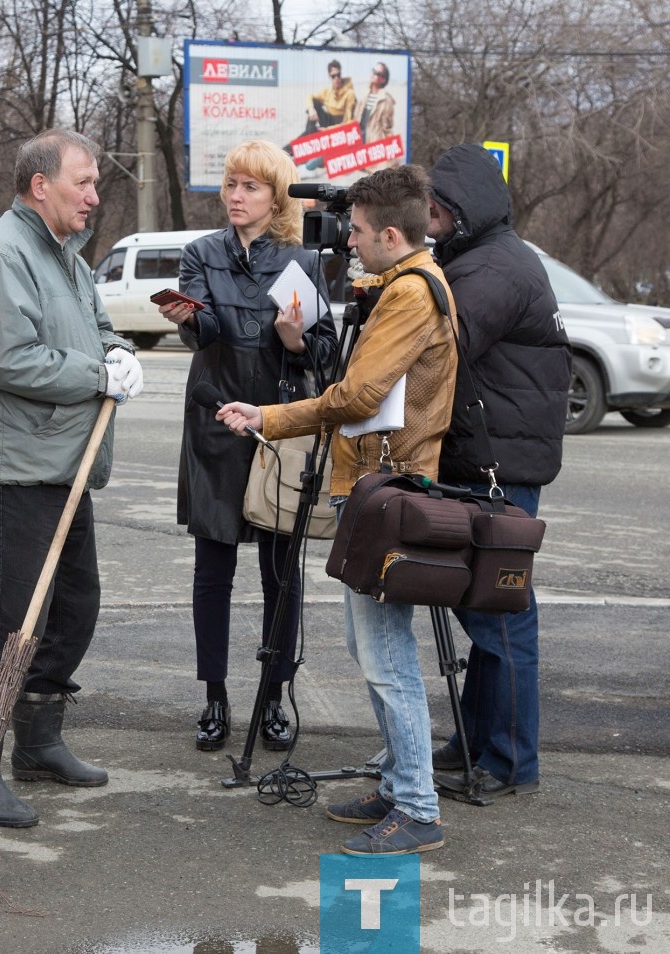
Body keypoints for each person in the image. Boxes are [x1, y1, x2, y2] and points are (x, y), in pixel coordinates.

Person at [217, 164, 458, 854]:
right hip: (379, 488)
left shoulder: (412, 293)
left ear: (390, 233)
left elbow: (355, 396)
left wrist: (268, 414)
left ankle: (416, 805)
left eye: (355, 232)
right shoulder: (404, 283)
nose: (348, 242)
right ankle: (397, 783)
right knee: (371, 646)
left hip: (390, 491)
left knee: (385, 656)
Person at [0, 128, 144, 828]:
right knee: (17, 622)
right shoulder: (0, 256)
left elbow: (97, 327)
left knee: (73, 608)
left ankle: (38, 742)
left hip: (65, 469)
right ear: (42, 186)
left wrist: (119, 353)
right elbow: (13, 361)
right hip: (16, 471)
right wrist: (98, 375)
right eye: (84, 182)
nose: (95, 196)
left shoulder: (65, 256)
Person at [156, 139, 336, 754]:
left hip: (280, 426)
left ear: (276, 195)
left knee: (280, 574)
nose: (236, 196)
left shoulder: (303, 261)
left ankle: (276, 694)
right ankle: (214, 696)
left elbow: (328, 356)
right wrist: (186, 316)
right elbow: (202, 333)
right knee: (214, 570)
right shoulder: (200, 252)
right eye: (231, 184)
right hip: (214, 423)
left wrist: (293, 339)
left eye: (251, 186)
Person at [426, 143, 571, 801]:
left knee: (504, 616)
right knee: (485, 607)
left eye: (435, 208)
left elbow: (438, 346)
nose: (427, 219)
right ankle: (476, 738)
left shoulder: (497, 270)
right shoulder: (482, 259)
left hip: (499, 468)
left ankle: (512, 761)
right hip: (489, 461)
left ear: (464, 209)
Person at [285, 60, 356, 171]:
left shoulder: (349, 93)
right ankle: (286, 153)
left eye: (339, 75)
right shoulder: (328, 91)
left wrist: (328, 129)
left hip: (338, 126)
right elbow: (310, 97)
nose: (337, 78)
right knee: (314, 104)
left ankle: (290, 154)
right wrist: (311, 109)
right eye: (333, 76)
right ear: (330, 77)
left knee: (311, 133)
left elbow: (349, 123)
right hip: (328, 120)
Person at [354, 62, 395, 144]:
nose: (373, 74)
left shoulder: (386, 100)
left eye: (377, 73)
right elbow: (355, 120)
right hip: (359, 143)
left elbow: (387, 129)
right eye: (373, 71)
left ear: (383, 80)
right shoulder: (363, 96)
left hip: (374, 145)